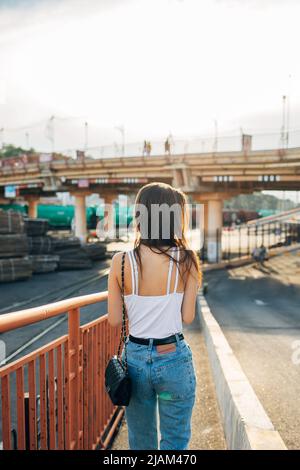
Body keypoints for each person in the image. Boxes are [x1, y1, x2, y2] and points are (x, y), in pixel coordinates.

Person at [108, 182, 201, 450]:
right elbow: (188, 316)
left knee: (141, 441)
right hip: (173, 359)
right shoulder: (187, 260)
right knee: (175, 441)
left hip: (135, 361)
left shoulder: (120, 262)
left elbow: (114, 319)